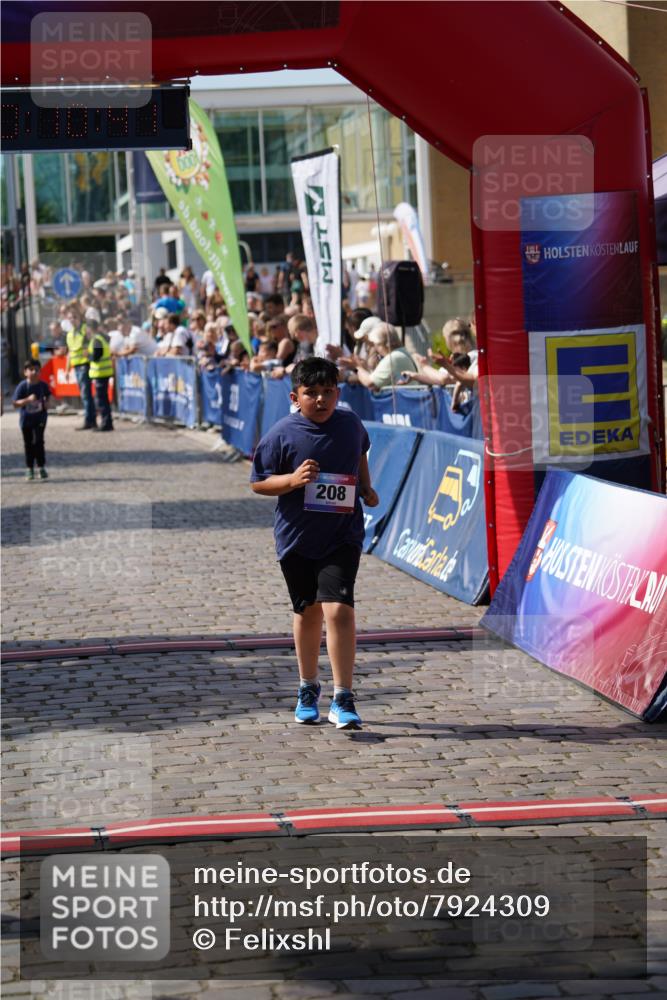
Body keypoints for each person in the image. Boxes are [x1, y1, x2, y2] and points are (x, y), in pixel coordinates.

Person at [250, 357, 379, 730]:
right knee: (308, 612)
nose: (321, 400)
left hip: (343, 533)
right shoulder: (280, 434)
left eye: (328, 393)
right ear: (295, 396)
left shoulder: (350, 424)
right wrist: (292, 480)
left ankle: (344, 697)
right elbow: (259, 482)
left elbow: (360, 452)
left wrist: (366, 488)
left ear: (338, 393)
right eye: (311, 394)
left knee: (338, 609)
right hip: (298, 537)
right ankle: (308, 687)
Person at [13, 360, 52, 480]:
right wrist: (27, 400)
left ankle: (41, 467)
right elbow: (15, 403)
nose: (34, 372)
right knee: (28, 443)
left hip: (40, 419)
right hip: (26, 420)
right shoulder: (22, 386)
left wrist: (47, 403)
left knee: (39, 442)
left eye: (37, 370)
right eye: (31, 370)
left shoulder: (43, 385)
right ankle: (29, 468)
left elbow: (49, 397)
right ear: (25, 372)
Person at [64, 302, 96, 430]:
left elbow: (93, 342)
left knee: (86, 394)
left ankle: (89, 420)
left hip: (85, 364)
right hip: (76, 366)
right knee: (84, 394)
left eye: (75, 317)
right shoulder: (70, 334)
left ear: (80, 317)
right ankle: (90, 419)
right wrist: (67, 370)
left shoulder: (85, 330)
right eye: (70, 317)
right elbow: (70, 352)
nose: (72, 320)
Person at [87, 321, 114, 431]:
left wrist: (89, 356)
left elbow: (97, 355)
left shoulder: (96, 339)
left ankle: (106, 423)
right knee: (103, 399)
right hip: (104, 372)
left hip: (100, 373)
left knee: (101, 400)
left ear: (90, 329)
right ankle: (107, 422)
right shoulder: (102, 338)